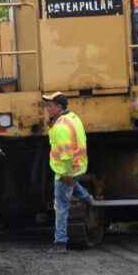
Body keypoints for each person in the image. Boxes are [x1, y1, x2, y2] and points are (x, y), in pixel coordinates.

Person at [44, 92, 91, 253]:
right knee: (73, 186)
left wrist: (66, 175)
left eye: (50, 106)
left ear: (58, 107)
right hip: (80, 166)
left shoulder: (60, 127)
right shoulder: (73, 117)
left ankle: (60, 243)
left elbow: (66, 156)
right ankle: (87, 198)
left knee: (61, 207)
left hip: (67, 170)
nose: (47, 109)